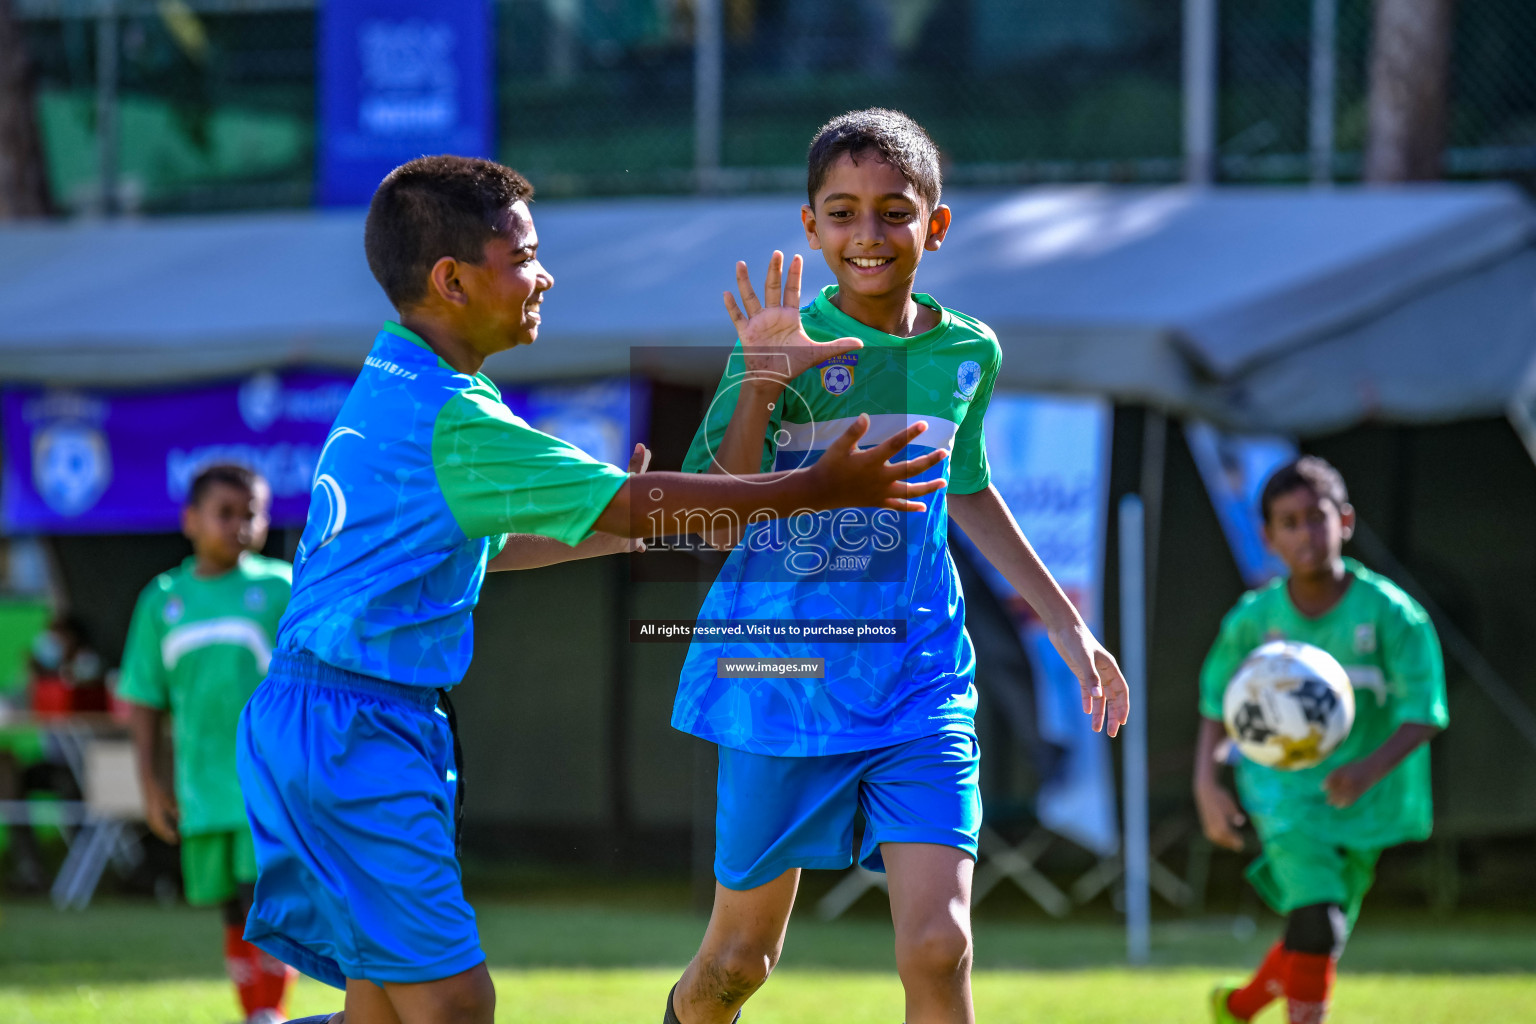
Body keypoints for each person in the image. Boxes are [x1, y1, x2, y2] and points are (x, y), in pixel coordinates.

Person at [237, 154, 950, 1024]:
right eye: (524, 254)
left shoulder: (400, 384)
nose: (545, 275)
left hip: (330, 719)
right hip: (352, 729)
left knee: (383, 1015)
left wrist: (617, 525)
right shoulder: (457, 419)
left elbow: (487, 551)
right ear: (452, 280)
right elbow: (659, 504)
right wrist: (810, 489)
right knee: (455, 1005)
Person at [664, 108, 1131, 1024]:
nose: (867, 234)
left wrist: (1070, 630)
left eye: (893, 211)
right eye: (841, 212)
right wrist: (762, 379)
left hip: (918, 679)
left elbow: (969, 489)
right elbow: (712, 512)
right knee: (738, 964)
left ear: (936, 224)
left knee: (939, 942)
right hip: (781, 680)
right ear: (810, 227)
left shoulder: (969, 352)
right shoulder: (780, 340)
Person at [1196, 455, 1448, 1024]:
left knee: (1316, 936)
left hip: (1365, 798)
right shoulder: (1253, 620)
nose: (1306, 532)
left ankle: (1239, 1006)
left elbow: (1426, 710)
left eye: (1317, 516)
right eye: (1289, 522)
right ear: (1268, 537)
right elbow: (1216, 701)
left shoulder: (1393, 615)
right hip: (1281, 792)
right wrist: (1207, 781)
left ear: (1346, 521)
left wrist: (1367, 770)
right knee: (1319, 921)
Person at [119, 463, 295, 1024]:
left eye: (252, 514)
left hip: (269, 784)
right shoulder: (161, 600)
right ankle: (254, 1012)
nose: (240, 526)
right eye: (225, 513)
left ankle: (269, 1012)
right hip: (201, 788)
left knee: (264, 903)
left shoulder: (281, 587)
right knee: (231, 911)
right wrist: (151, 784)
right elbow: (144, 699)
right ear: (190, 520)